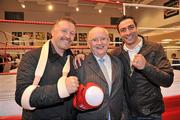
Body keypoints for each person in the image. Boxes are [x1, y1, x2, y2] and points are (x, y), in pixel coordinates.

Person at [15, 17, 79, 120]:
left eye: (72, 33)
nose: (68, 36)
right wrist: (60, 89)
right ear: (52, 32)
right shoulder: (32, 57)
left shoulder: (73, 60)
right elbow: (21, 96)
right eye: (64, 31)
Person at [111, 15, 174, 119]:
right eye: (123, 30)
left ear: (136, 28)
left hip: (150, 113)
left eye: (131, 27)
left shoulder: (155, 48)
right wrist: (80, 56)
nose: (128, 33)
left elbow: (168, 80)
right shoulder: (115, 54)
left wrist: (146, 67)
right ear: (119, 33)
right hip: (126, 114)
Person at [74, 27, 125, 120]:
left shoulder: (118, 62)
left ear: (109, 41)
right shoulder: (80, 63)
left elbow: (122, 91)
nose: (100, 43)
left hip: (116, 115)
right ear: (88, 44)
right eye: (94, 40)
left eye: (103, 39)